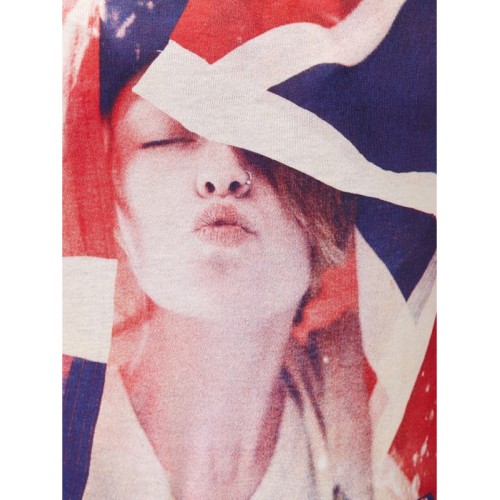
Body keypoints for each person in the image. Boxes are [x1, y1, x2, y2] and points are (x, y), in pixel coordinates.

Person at [73, 70, 374, 499]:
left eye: (267, 137)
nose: (224, 172)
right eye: (167, 139)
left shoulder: (383, 420)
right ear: (113, 193)